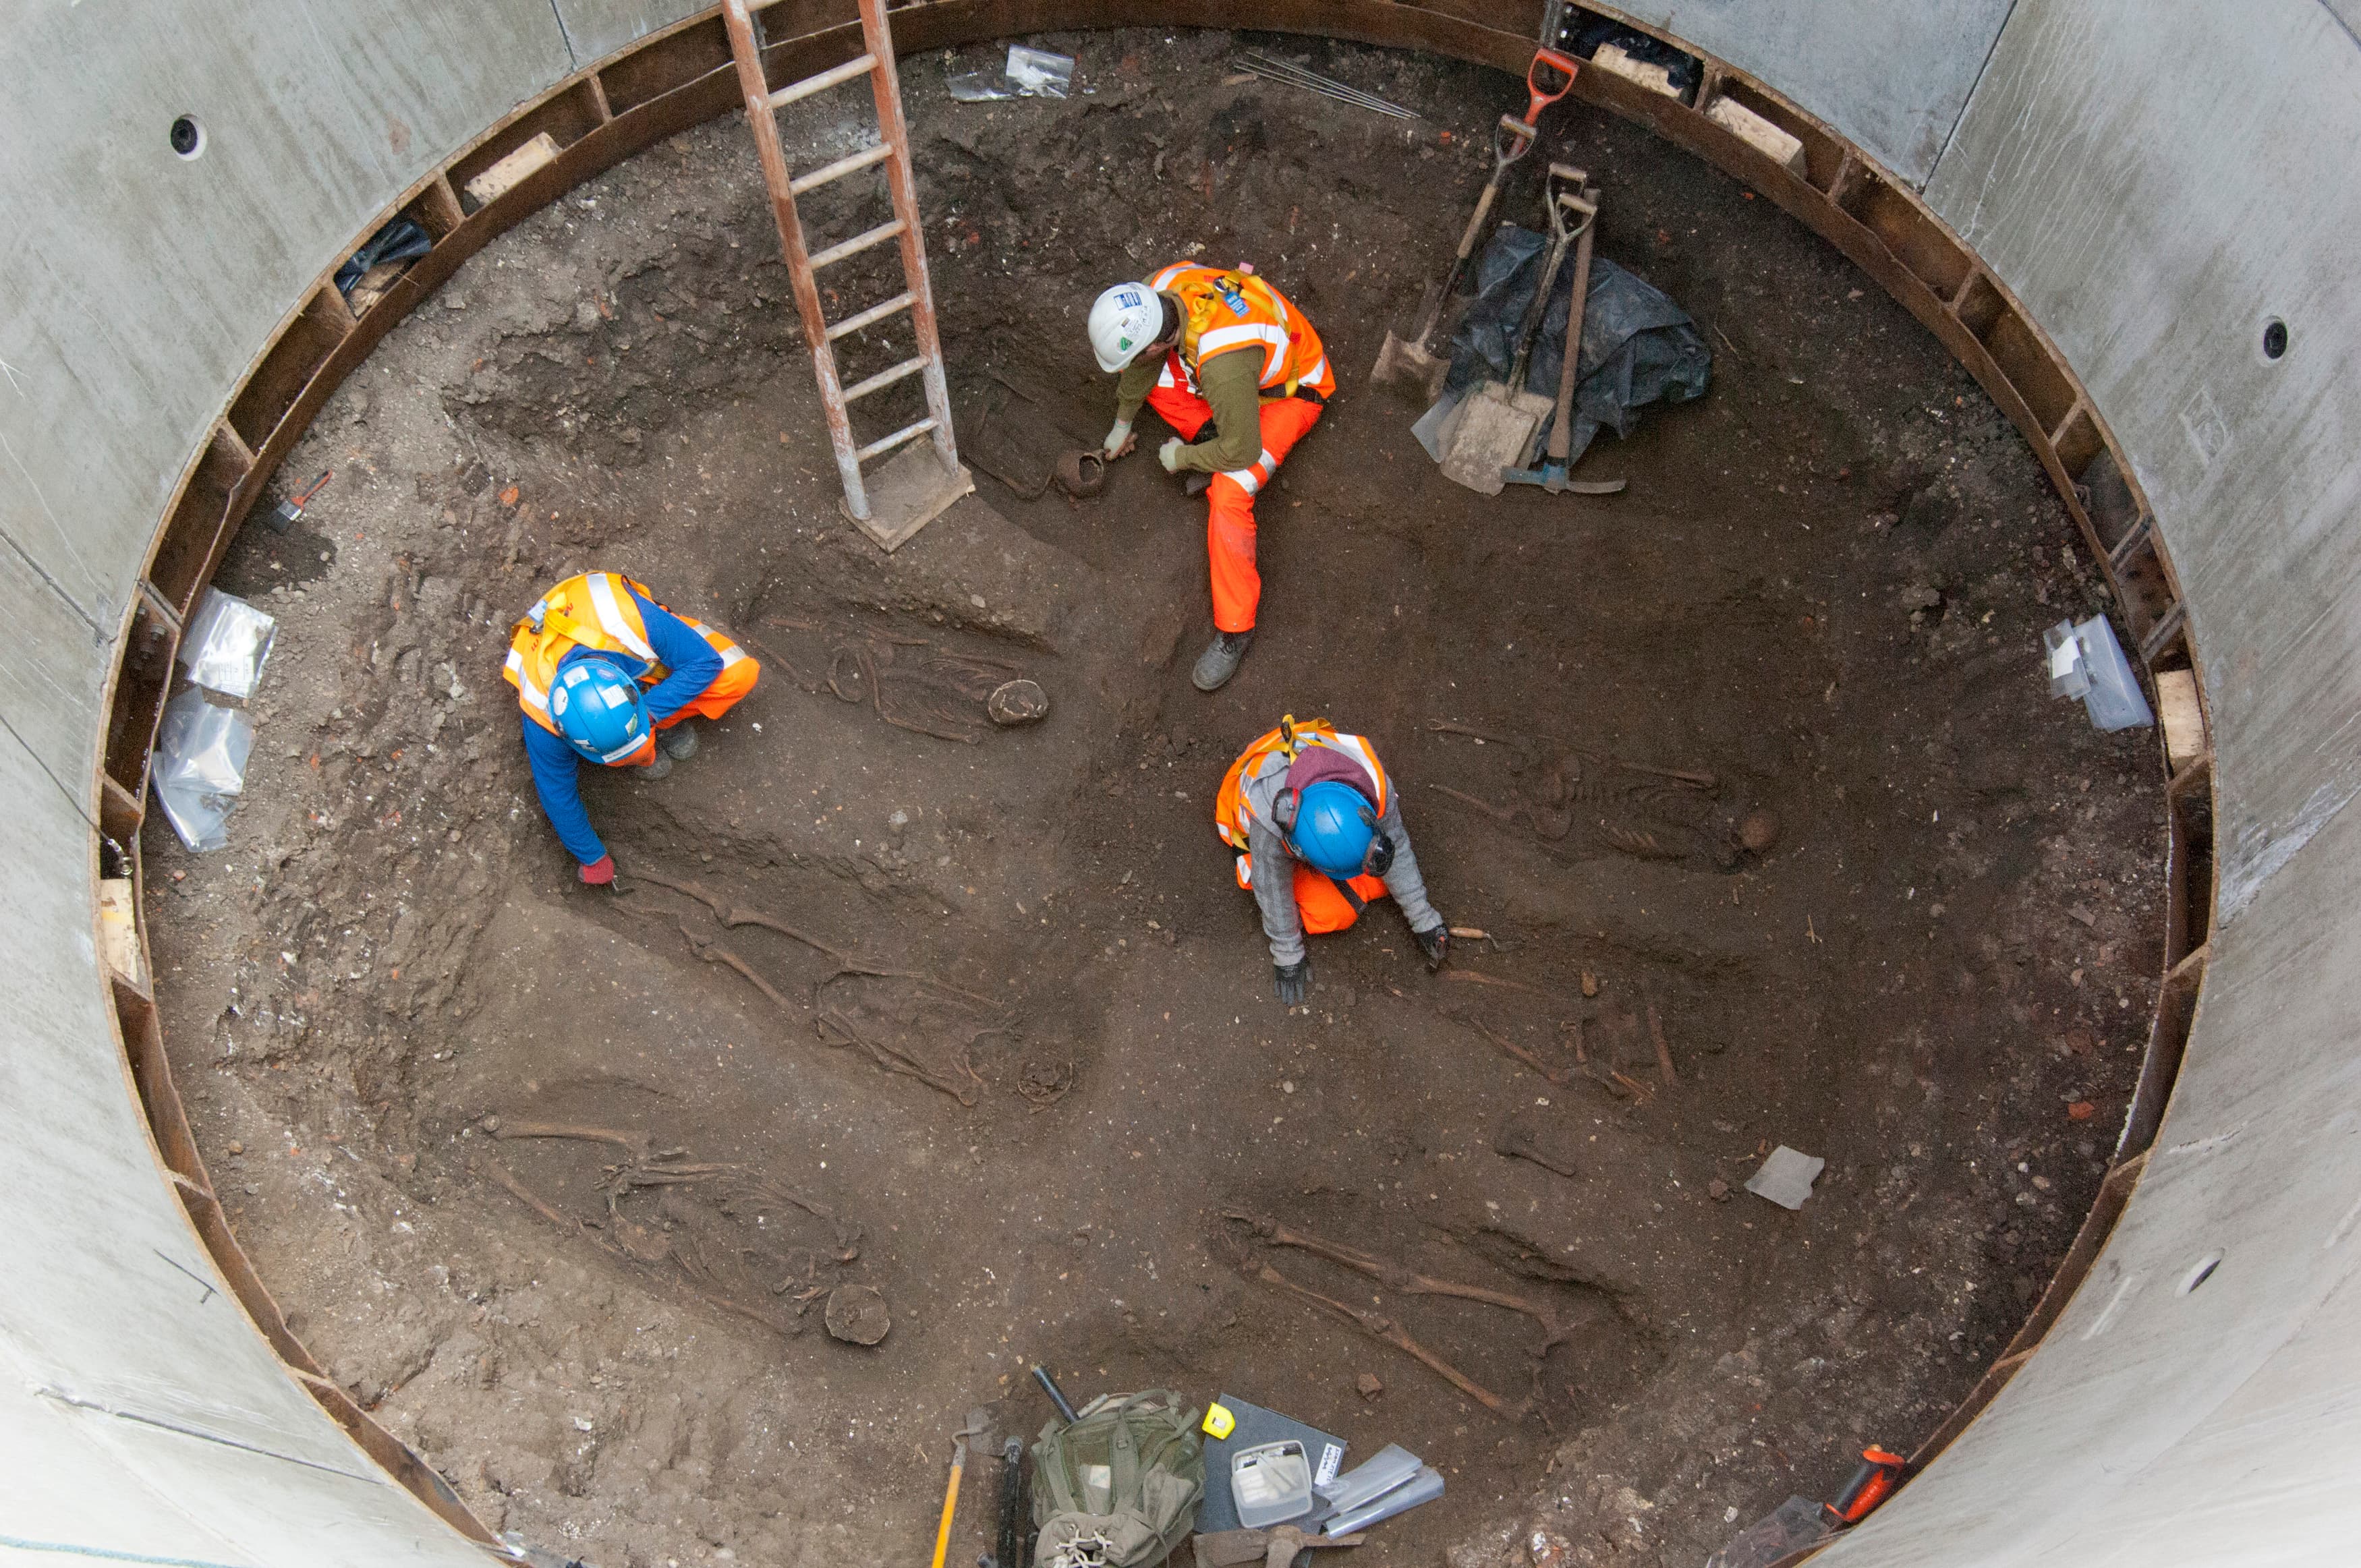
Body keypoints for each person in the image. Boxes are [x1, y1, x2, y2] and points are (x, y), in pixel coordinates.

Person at [1087, 261, 1335, 691]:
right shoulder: (1156, 291)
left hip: (1292, 393)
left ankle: (1236, 630)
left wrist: (1184, 457)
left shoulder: (1221, 363)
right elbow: (1145, 366)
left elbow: (1244, 450)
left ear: (1155, 341)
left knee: (1229, 492)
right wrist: (1123, 421)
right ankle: (1214, 435)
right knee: (1158, 383)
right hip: (1242, 374)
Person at [503, 571, 759, 884]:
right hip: (602, 668)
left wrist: (650, 715)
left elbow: (705, 662)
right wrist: (593, 857)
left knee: (739, 674)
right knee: (624, 746)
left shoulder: (625, 618)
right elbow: (556, 790)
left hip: (628, 644)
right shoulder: (542, 714)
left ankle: (654, 725)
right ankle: (640, 751)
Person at [1214, 716, 1449, 1003]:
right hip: (1259, 824)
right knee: (1332, 913)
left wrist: (1424, 919)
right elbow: (1271, 886)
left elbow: (1395, 843)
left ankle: (1351, 868)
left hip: (1308, 802)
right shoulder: (1270, 824)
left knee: (1383, 876)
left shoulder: (1374, 789)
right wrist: (1287, 953)